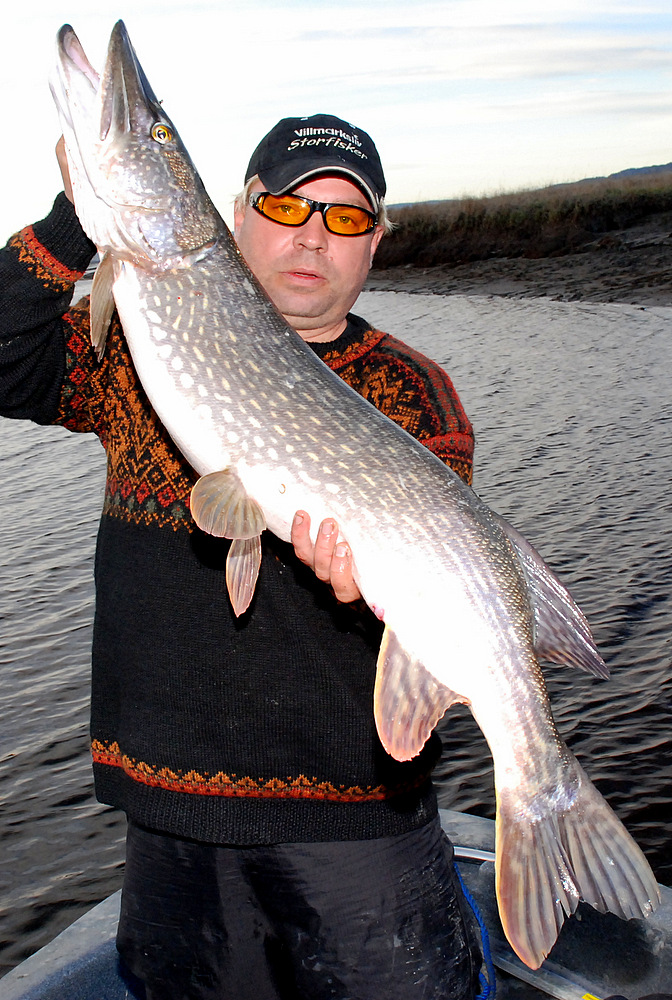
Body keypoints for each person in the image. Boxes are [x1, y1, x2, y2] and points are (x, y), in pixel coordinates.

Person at [0, 113, 478, 999]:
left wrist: (373, 589)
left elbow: (447, 590)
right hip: (173, 821)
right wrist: (77, 222)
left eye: (345, 218)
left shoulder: (412, 390)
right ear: (236, 213)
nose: (311, 235)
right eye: (288, 205)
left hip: (357, 828)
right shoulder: (128, 351)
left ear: (375, 242)